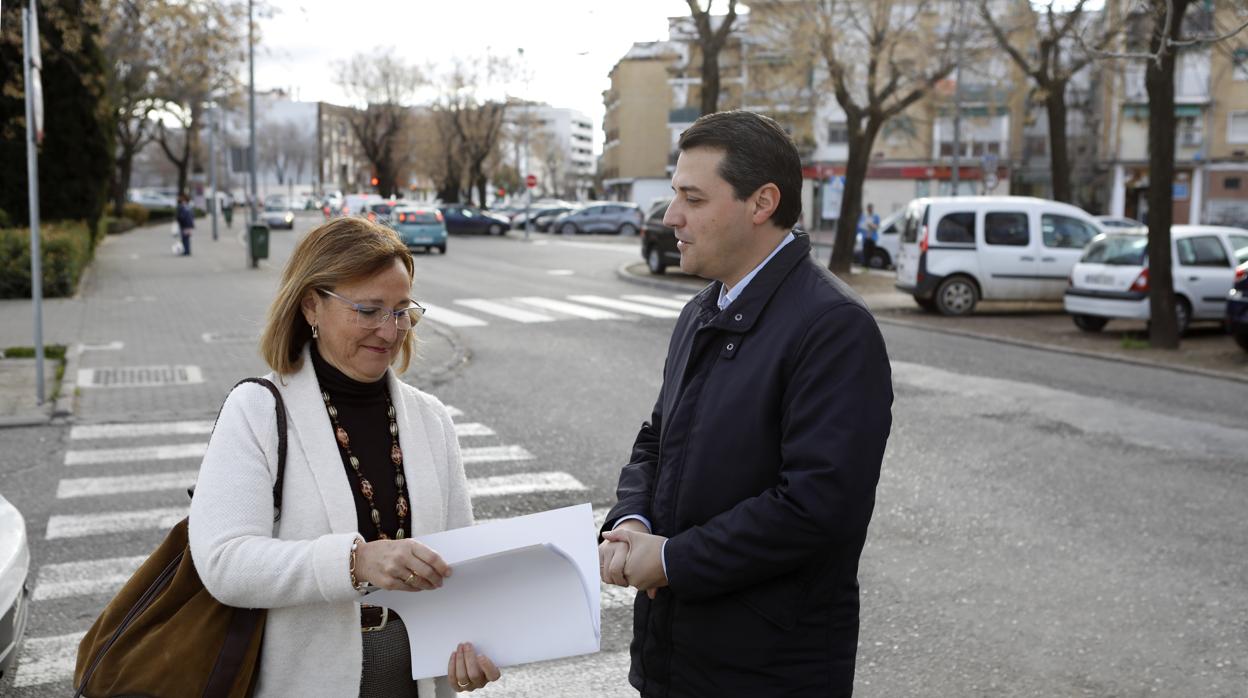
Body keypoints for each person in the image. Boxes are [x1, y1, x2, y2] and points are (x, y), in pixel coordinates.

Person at [598, 111, 893, 697]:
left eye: (692, 198)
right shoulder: (702, 310)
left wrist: (676, 560)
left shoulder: (833, 327)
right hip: (673, 657)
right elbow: (658, 439)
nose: (671, 217)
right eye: (672, 195)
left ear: (762, 203)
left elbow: (817, 506)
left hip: (770, 672)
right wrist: (631, 519)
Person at [189, 216, 501, 696]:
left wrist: (476, 646)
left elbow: (458, 566)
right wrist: (355, 563)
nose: (390, 330)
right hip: (301, 679)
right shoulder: (257, 409)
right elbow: (224, 563)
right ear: (312, 304)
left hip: (414, 679)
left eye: (402, 310)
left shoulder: (430, 418)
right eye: (369, 309)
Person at [858, 202, 880, 266]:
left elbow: (877, 227)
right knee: (865, 252)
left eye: (871, 208)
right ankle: (865, 264)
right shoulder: (864, 216)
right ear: (867, 209)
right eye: (869, 208)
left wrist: (871, 225)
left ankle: (869, 264)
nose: (870, 209)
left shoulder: (875, 217)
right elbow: (860, 226)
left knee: (871, 252)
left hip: (872, 237)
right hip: (865, 237)